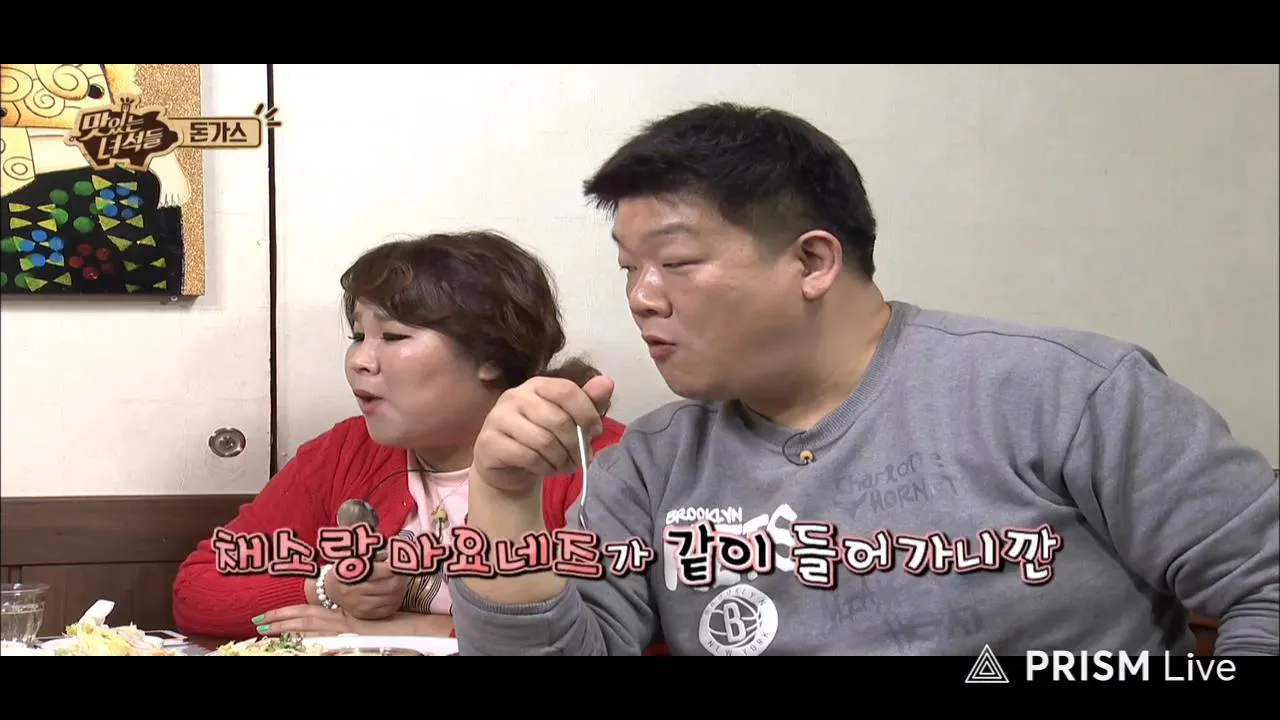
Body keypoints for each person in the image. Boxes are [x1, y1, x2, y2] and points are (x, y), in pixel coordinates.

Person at [447, 102, 1280, 656]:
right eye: (628, 268)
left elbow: (1265, 585)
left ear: (813, 261)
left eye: (677, 262)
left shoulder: (1062, 393)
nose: (641, 298)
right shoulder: (653, 463)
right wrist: (505, 493)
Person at [172, 231, 626, 640]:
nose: (359, 361)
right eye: (358, 336)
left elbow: (615, 638)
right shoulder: (349, 450)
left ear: (491, 357)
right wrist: (326, 589)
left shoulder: (594, 457)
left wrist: (409, 628)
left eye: (391, 337)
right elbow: (197, 591)